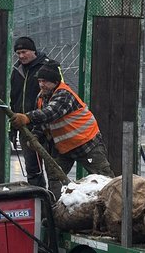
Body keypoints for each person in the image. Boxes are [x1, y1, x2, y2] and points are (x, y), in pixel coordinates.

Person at [12, 64, 113, 199]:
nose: (41, 84)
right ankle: (57, 211)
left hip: (87, 144)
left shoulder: (64, 94)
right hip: (63, 148)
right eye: (40, 81)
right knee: (55, 180)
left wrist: (27, 117)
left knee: (104, 179)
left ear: (55, 82)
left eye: (45, 81)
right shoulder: (41, 97)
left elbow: (51, 113)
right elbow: (44, 122)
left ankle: (113, 206)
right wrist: (35, 135)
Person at [9, 36, 57, 189]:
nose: (21, 56)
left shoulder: (48, 67)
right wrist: (13, 128)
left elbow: (56, 96)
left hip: (47, 127)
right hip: (24, 127)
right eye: (18, 53)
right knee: (32, 170)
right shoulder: (17, 71)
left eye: (24, 51)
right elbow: (14, 99)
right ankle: (40, 203)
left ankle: (53, 205)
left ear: (33, 51)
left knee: (53, 170)